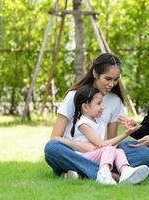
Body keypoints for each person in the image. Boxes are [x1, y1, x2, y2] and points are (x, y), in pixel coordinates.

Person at [44, 53, 131, 181]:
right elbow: (54, 137)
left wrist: (129, 130)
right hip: (71, 153)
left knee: (141, 152)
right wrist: (82, 146)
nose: (112, 84)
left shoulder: (115, 101)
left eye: (116, 79)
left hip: (99, 154)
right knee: (51, 148)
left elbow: (112, 143)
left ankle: (79, 172)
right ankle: (106, 173)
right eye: (108, 79)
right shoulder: (74, 96)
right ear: (95, 73)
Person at [69, 84, 149, 185]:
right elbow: (101, 144)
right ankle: (104, 173)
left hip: (95, 154)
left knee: (118, 151)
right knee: (109, 148)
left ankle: (126, 171)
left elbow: (103, 146)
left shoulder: (98, 122)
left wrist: (130, 130)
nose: (102, 107)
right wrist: (125, 134)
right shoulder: (83, 124)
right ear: (85, 107)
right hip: (83, 158)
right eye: (98, 103)